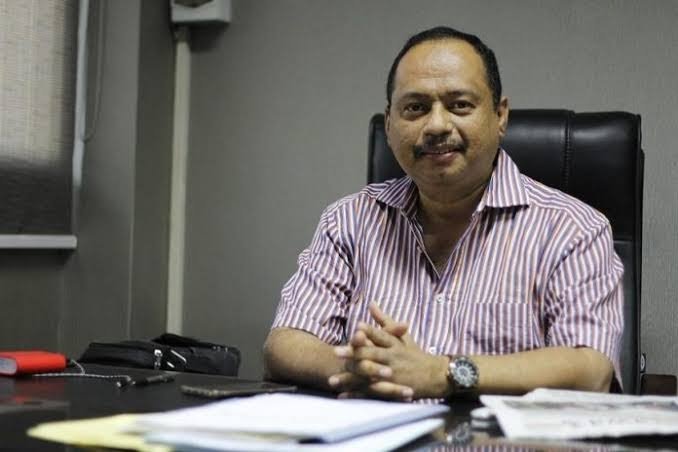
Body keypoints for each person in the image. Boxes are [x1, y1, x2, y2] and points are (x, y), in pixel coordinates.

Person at [263, 26, 623, 401]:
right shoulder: (349, 220)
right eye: (415, 108)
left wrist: (444, 372)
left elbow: (590, 371)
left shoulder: (573, 229)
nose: (436, 125)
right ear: (389, 124)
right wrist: (365, 368)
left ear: (500, 116)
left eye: (460, 105)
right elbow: (285, 343)